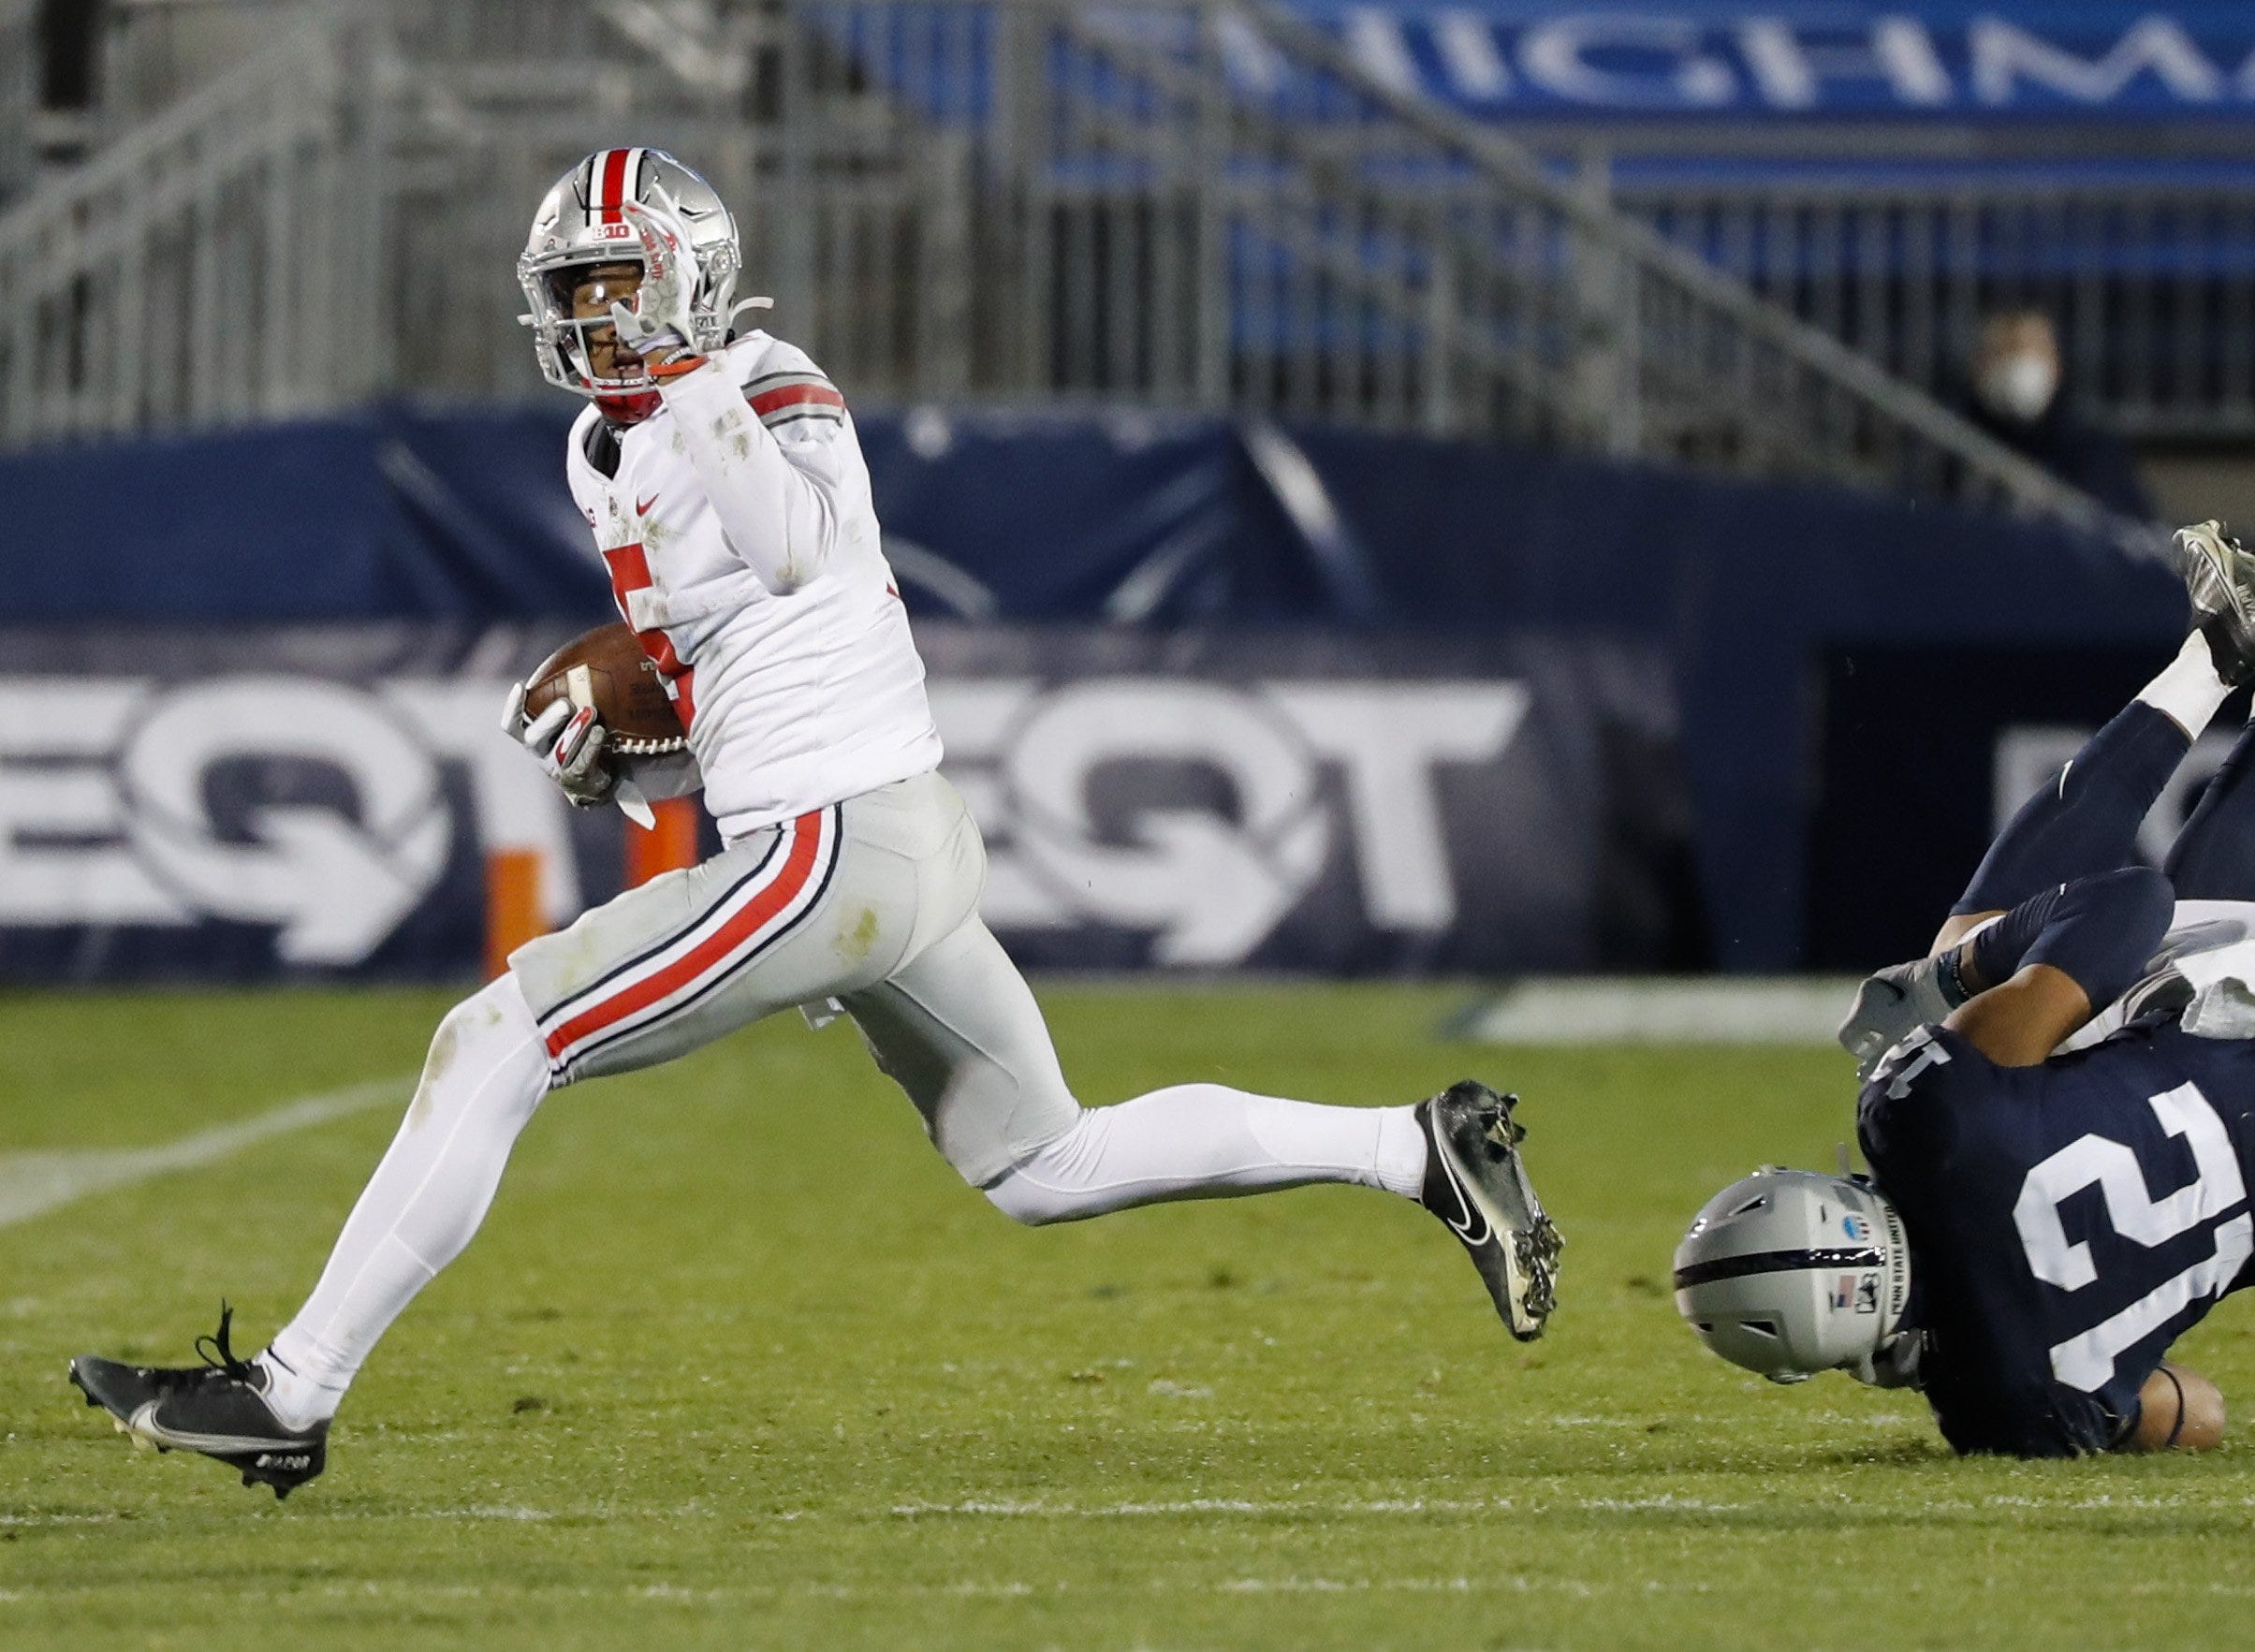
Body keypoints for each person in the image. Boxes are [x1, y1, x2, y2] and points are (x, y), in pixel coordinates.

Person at [66, 149, 1561, 1499]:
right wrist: (619, 767)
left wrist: (692, 370)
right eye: (574, 291)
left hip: (835, 846)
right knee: (1044, 1162)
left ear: (688, 279)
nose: (594, 317)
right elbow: (713, 683)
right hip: (868, 841)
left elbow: (789, 550)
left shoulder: (770, 382)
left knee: (496, 1038)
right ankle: (1414, 1148)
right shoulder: (598, 449)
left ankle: (289, 1392)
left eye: (619, 282)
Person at [1674, 522, 2255, 1456]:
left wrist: (1971, 1350)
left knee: (2091, 1046)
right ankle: (2222, 651)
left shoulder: (2011, 1416)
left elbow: (2199, 1411)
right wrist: (1944, 977)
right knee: (1977, 963)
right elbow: (2130, 904)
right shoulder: (1917, 1118)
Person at [1965, 304, 2153, 522]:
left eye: (2033, 351)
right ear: (1978, 364)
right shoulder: (1949, 444)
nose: (2017, 364)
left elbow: (2124, 525)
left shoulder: (2095, 451)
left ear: (2056, 365)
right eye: (2003, 351)